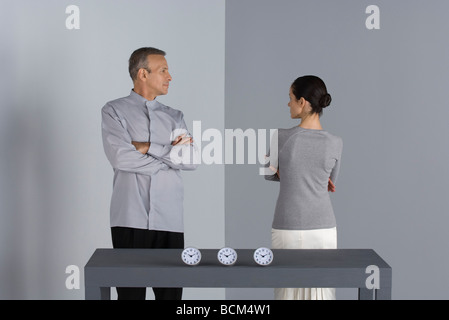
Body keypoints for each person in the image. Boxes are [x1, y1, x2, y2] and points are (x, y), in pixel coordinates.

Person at [101, 47, 198, 300]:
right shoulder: (114, 111)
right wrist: (168, 159)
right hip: (129, 219)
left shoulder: (175, 116)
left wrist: (147, 148)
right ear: (143, 74)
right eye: (163, 70)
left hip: (170, 220)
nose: (170, 76)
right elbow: (121, 157)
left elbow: (190, 159)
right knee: (130, 296)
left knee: (171, 298)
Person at [265, 75, 343, 300]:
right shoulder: (335, 142)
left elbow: (268, 173)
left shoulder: (279, 136)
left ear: (302, 102)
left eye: (290, 98)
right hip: (323, 227)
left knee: (286, 291)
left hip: (287, 223)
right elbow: (330, 183)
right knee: (322, 293)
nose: (287, 103)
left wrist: (290, 173)